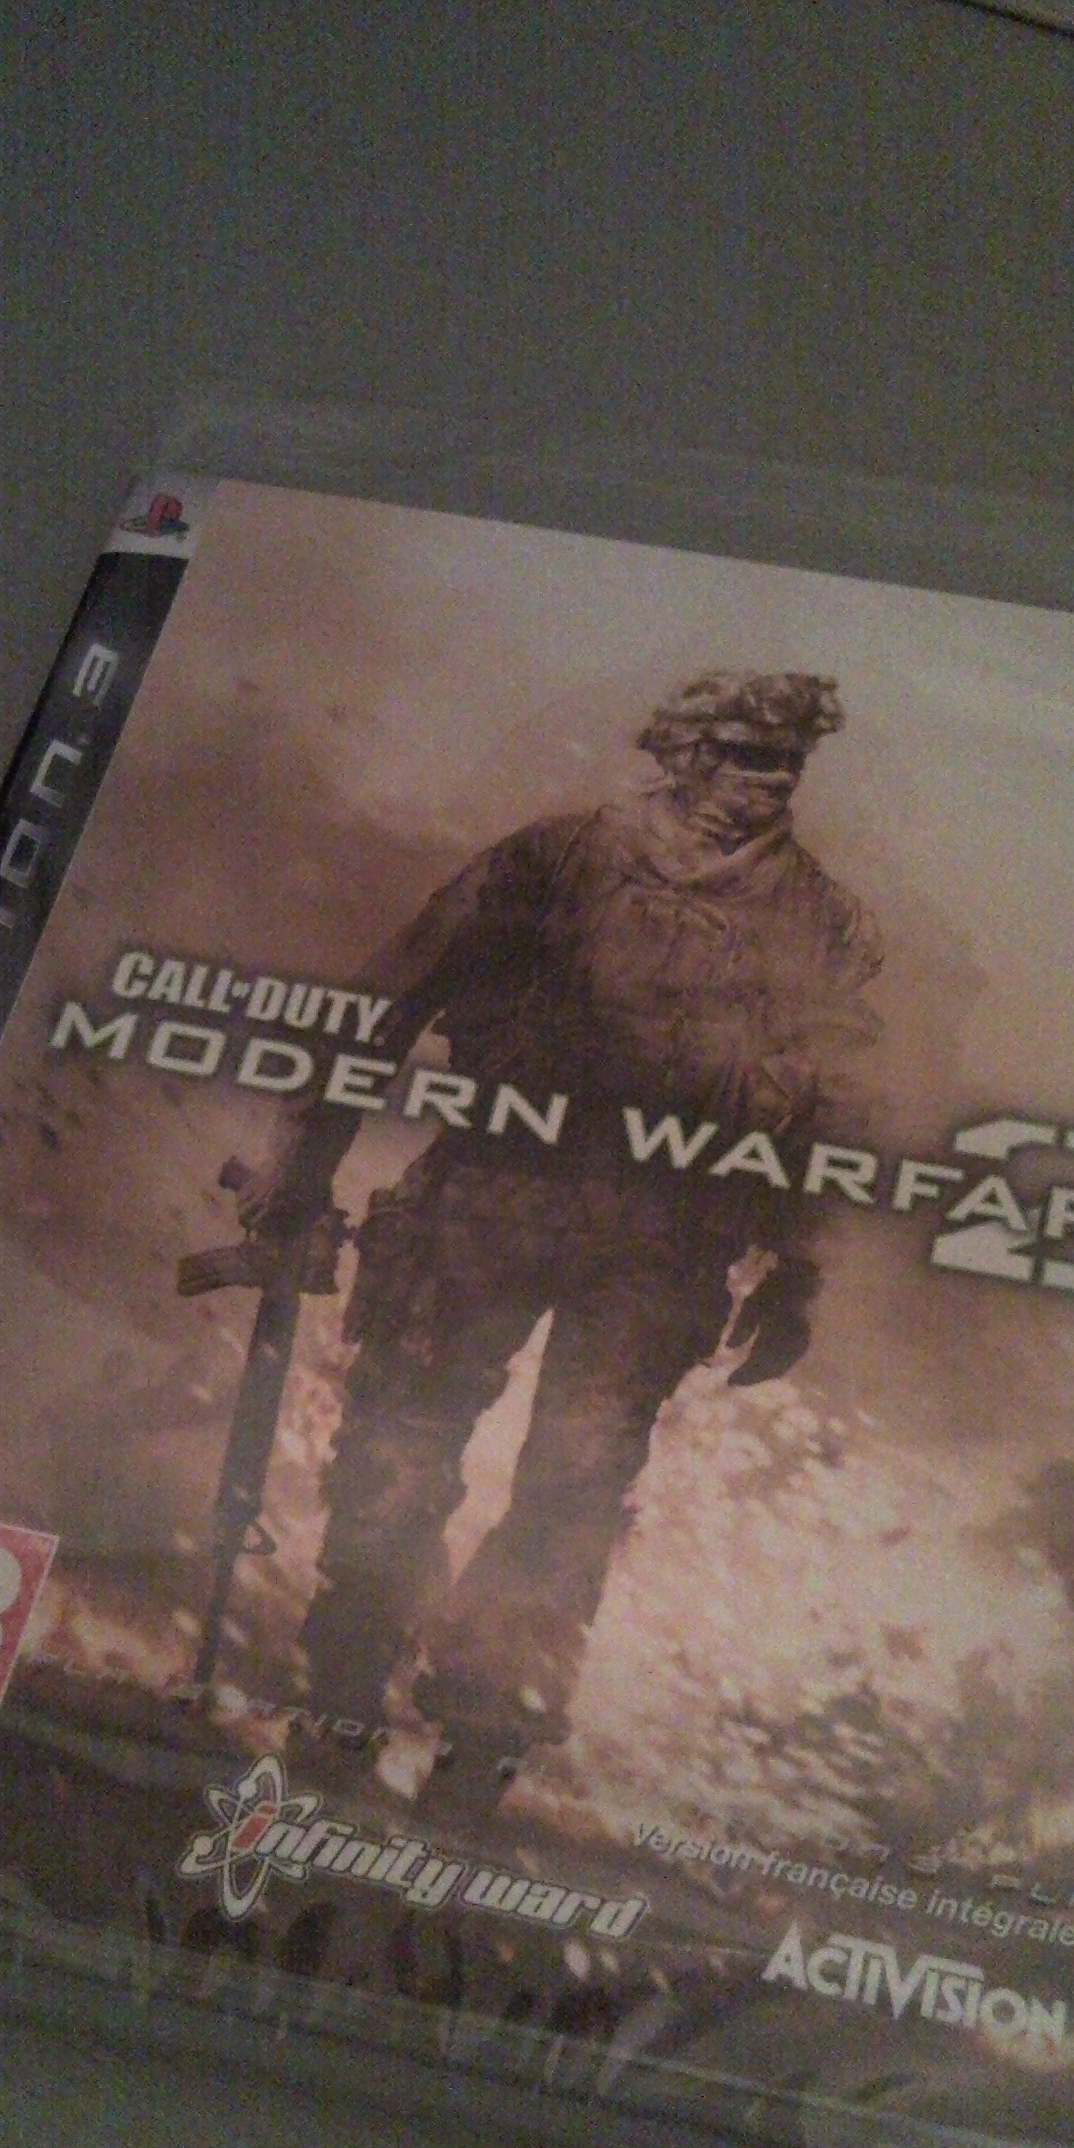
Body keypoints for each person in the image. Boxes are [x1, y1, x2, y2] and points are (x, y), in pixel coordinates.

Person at [209, 670, 880, 1791]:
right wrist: (299, 1171)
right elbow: (385, 1005)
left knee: (577, 1484)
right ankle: (342, 1697)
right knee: (400, 1441)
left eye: (786, 764)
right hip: (490, 1193)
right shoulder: (558, 860)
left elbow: (836, 1107)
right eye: (744, 756)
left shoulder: (823, 923)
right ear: (685, 753)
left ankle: (485, 1737)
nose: (767, 783)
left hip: (664, 1236)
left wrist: (800, 1266)